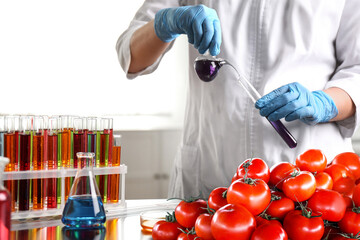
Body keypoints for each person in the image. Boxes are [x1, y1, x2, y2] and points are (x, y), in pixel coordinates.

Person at [116, 1, 360, 199]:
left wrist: (324, 103)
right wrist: (166, 23)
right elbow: (131, 56)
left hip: (309, 181)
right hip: (212, 175)